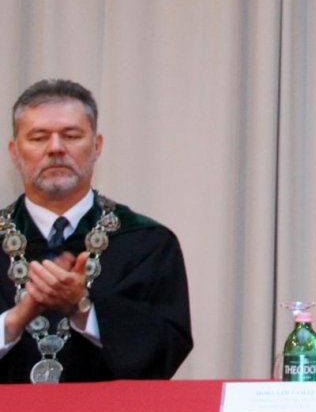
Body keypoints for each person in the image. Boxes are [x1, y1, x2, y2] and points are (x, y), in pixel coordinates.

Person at [0, 79, 192, 383]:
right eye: (38, 137)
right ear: (14, 152)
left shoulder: (146, 243)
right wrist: (15, 320)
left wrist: (83, 309)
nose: (55, 148)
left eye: (71, 135)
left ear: (97, 146)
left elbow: (165, 349)